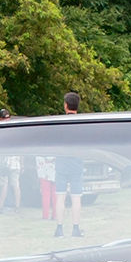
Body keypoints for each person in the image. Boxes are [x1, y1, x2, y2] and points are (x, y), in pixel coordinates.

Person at [54, 91, 84, 237]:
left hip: (61, 162)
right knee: (76, 197)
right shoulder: (82, 123)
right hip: (76, 163)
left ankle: (59, 228)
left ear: (65, 105)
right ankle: (76, 228)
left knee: (60, 196)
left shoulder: (59, 123)